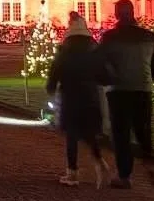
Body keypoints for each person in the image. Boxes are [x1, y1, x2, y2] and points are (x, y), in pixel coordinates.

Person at [100, 0, 154, 188]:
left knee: (121, 134)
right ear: (133, 12)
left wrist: (106, 80)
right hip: (143, 90)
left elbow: (100, 64)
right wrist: (146, 80)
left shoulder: (110, 37)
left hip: (119, 91)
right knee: (143, 129)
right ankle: (150, 163)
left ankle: (125, 176)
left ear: (117, 14)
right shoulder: (149, 36)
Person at [45, 13, 108, 185]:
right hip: (90, 95)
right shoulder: (94, 48)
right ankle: (99, 161)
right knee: (89, 132)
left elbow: (55, 71)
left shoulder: (65, 49)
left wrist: (51, 86)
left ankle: (72, 173)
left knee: (72, 134)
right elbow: (103, 74)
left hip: (71, 95)